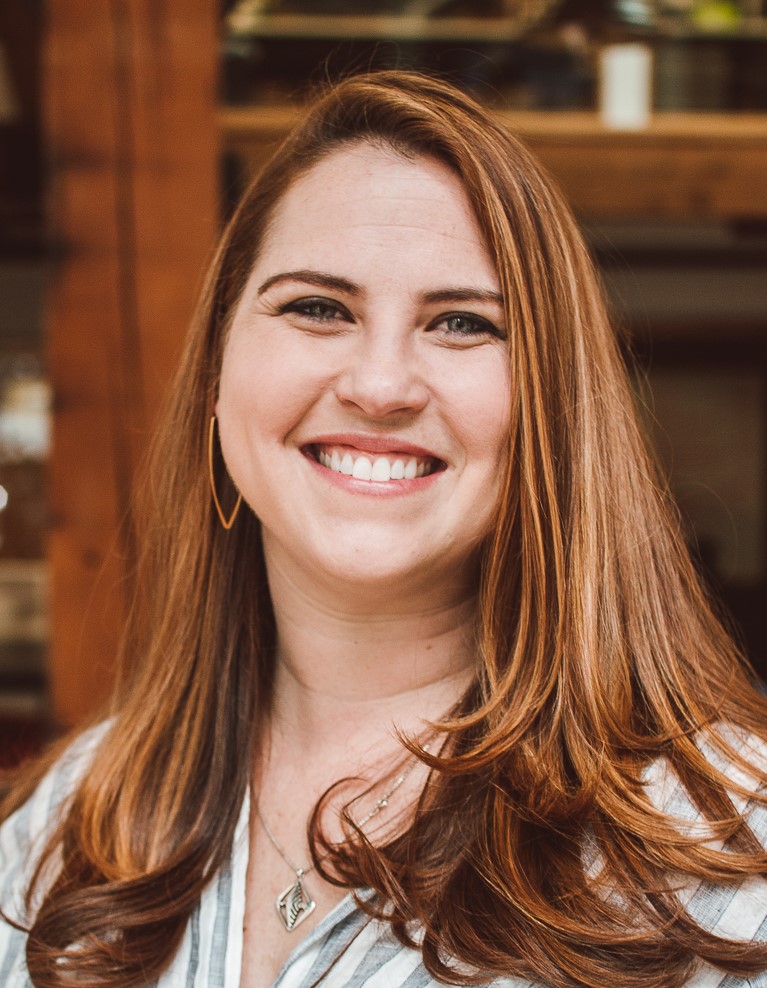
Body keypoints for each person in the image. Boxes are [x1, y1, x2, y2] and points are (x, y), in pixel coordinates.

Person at [1, 70, 767, 988]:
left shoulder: (721, 852)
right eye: (317, 308)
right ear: (215, 372)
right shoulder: (66, 824)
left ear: (552, 409)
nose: (379, 385)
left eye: (461, 323)